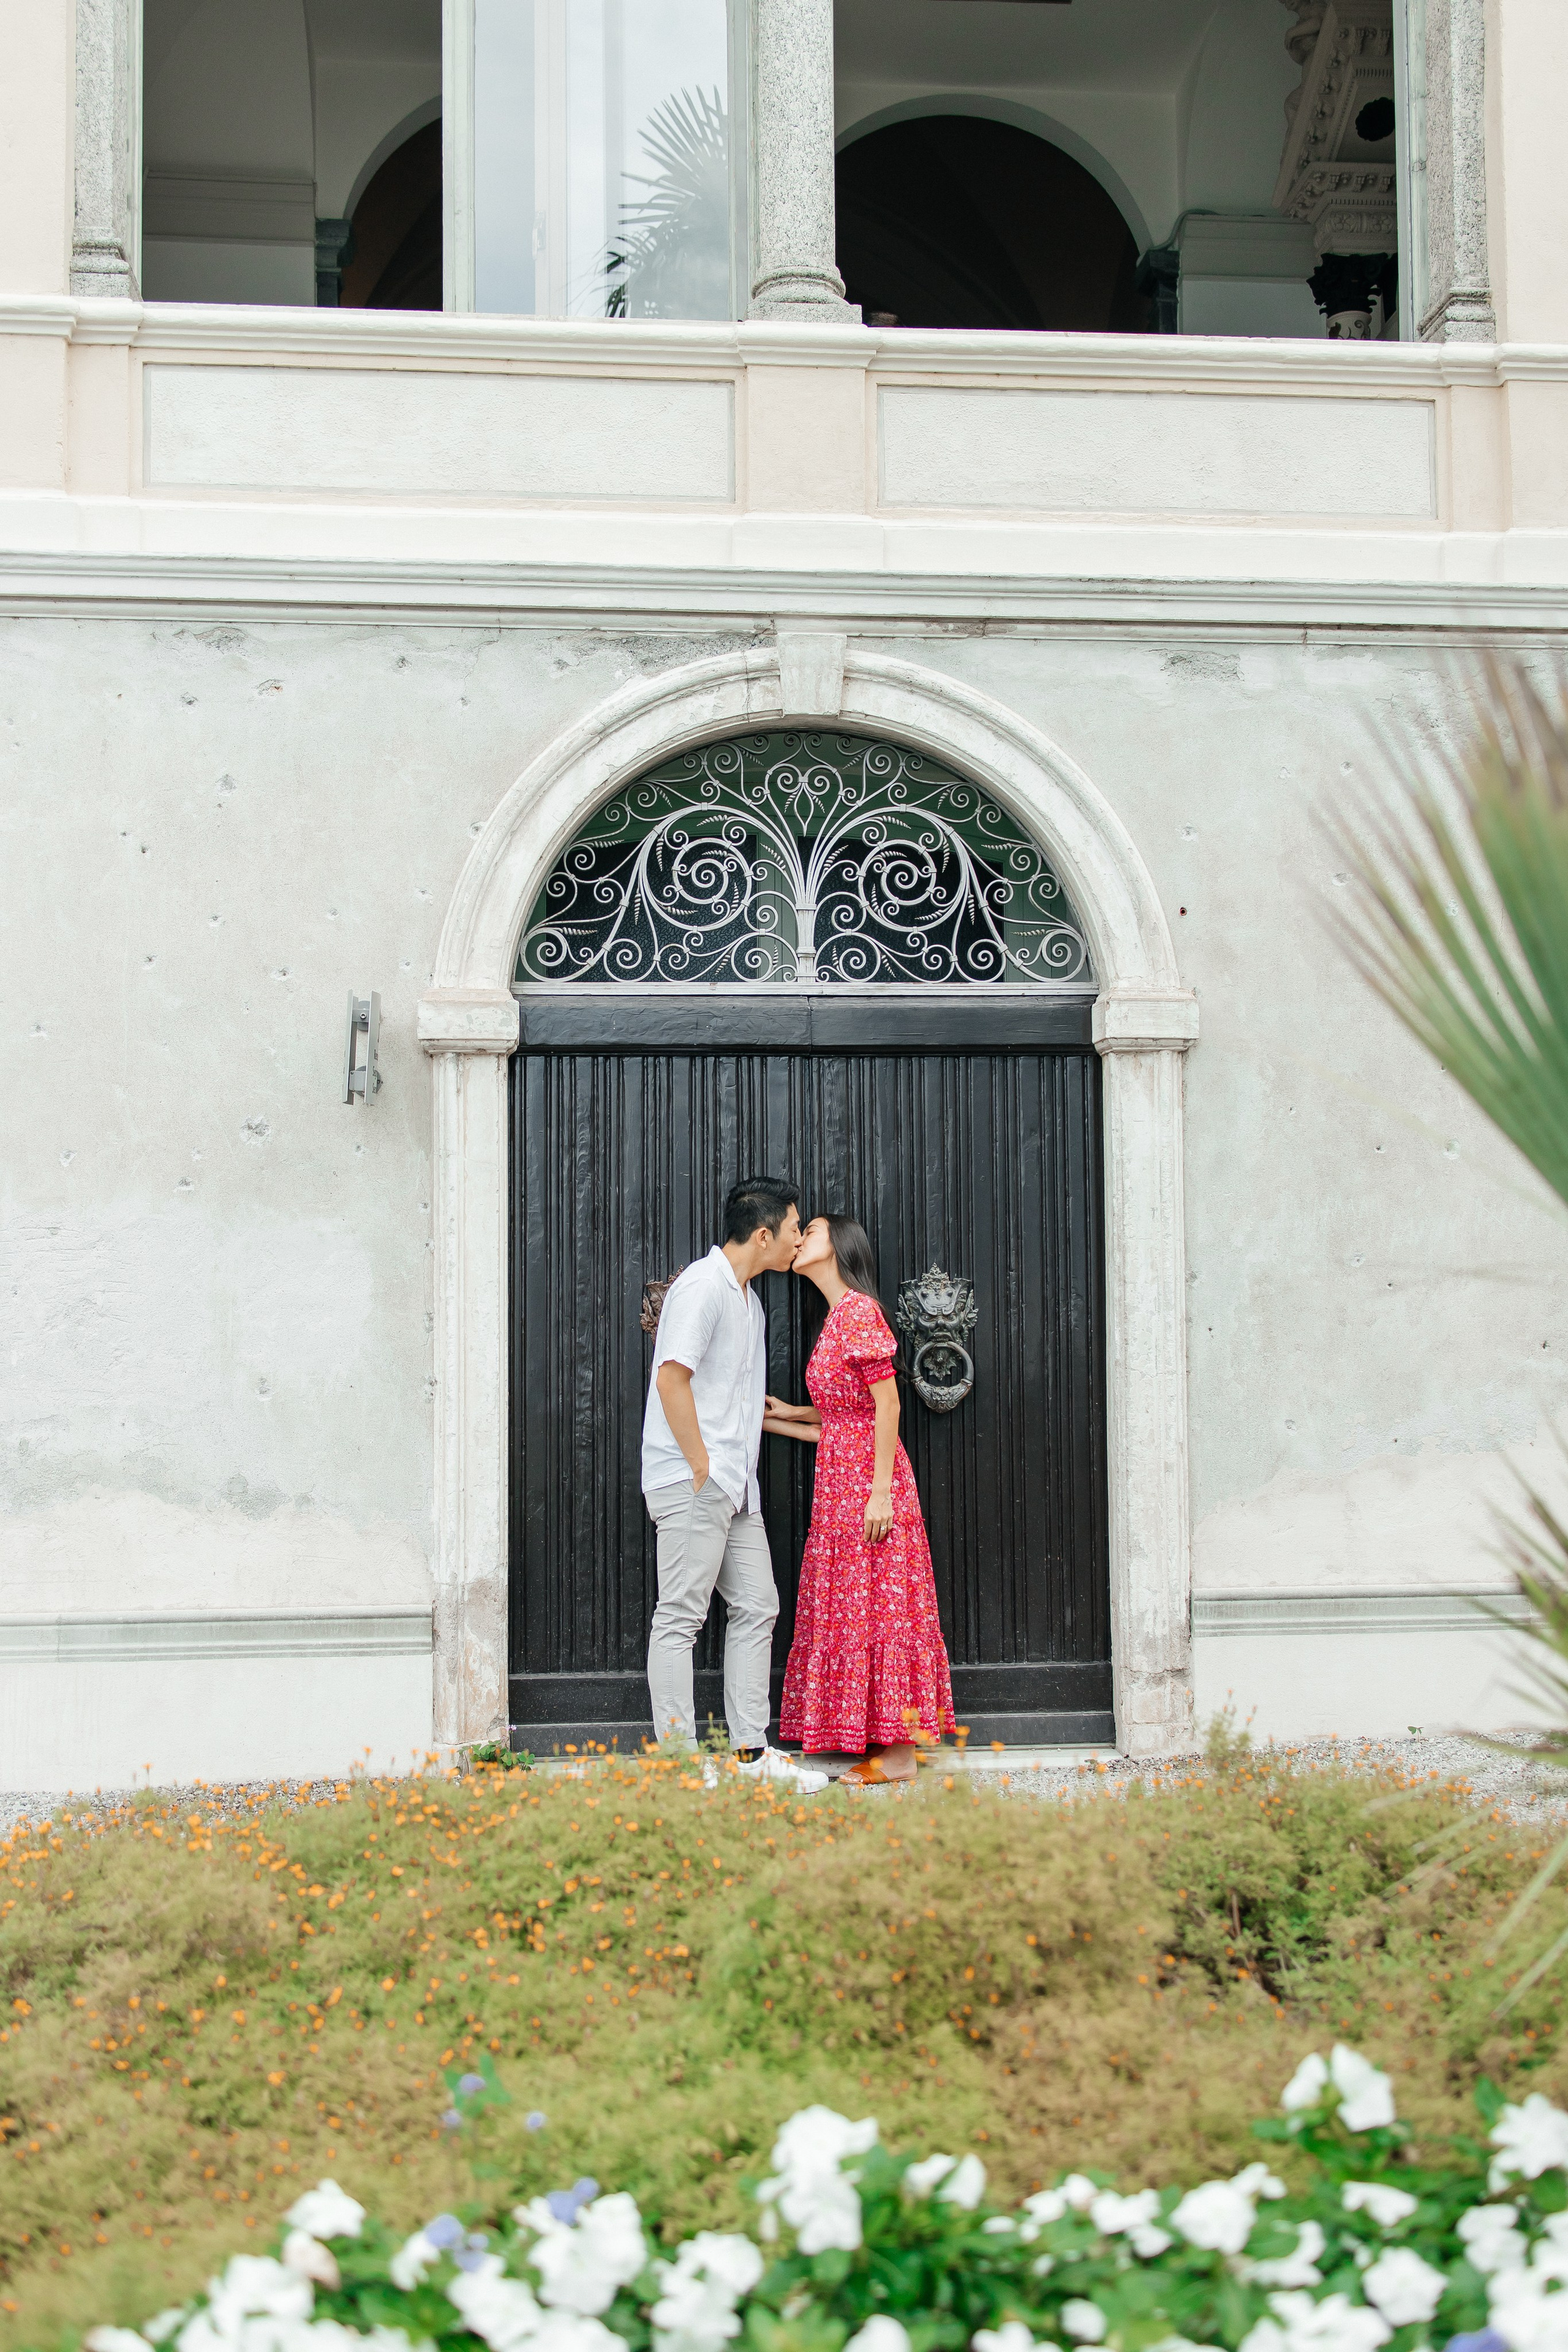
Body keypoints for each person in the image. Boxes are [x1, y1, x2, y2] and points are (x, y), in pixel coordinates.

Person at [642, 1175, 829, 1791]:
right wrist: (700, 1464)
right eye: (794, 1228)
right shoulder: (704, 1288)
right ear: (763, 1234)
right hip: (695, 1479)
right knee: (680, 1617)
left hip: (734, 1486)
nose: (799, 1238)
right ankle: (678, 1766)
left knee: (757, 1605)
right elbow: (671, 1377)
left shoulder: (749, 1301)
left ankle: (750, 1757)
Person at [766, 1214, 956, 1784]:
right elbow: (844, 1419)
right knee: (858, 1608)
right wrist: (781, 1417)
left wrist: (880, 1495)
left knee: (885, 1609)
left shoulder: (858, 1311)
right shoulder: (836, 1318)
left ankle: (899, 1757)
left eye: (812, 1230)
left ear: (839, 1246)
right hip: (840, 1483)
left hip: (871, 1485)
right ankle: (877, 1742)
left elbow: (887, 1406)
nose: (801, 1239)